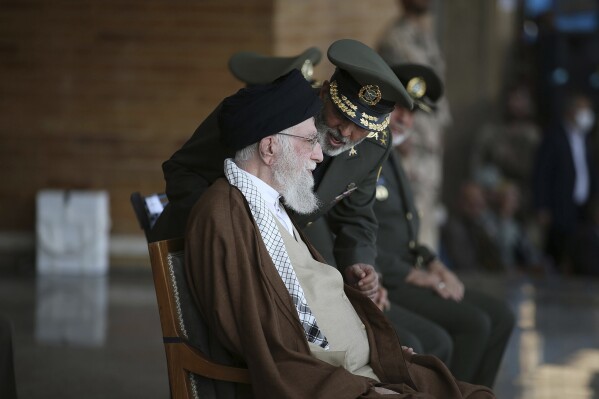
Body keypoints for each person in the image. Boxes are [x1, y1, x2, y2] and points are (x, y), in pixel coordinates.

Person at [185, 68, 495, 398]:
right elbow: (278, 342)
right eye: (310, 141)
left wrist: (361, 271)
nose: (324, 149)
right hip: (336, 374)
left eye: (361, 126)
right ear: (270, 148)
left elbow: (357, 217)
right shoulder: (231, 214)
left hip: (353, 355)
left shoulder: (276, 198)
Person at [151, 39, 413, 299]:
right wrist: (226, 230)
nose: (345, 131)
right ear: (324, 93)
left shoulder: (374, 146)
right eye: (341, 115)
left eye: (360, 126)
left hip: (276, 265)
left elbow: (356, 215)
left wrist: (359, 261)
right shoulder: (271, 109)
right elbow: (182, 170)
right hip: (204, 250)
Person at [374, 63, 515, 388]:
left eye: (411, 112)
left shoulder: (391, 154)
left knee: (503, 317)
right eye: (397, 108)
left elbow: (405, 234)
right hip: (389, 278)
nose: (404, 120)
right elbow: (356, 235)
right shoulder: (364, 154)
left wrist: (436, 264)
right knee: (474, 324)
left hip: (407, 269)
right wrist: (415, 275)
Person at [376, 0, 452, 251]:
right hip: (409, 140)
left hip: (428, 143)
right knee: (410, 209)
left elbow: (435, 92)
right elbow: (391, 91)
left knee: (427, 208)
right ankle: (412, 271)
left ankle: (428, 264)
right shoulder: (394, 39)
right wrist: (400, 135)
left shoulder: (425, 35)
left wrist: (439, 128)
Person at [532, 91, 599, 273]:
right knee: (557, 251)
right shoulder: (554, 137)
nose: (587, 115)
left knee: (580, 251)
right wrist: (541, 206)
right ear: (571, 111)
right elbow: (542, 174)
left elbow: (588, 171)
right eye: (583, 109)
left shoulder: (585, 139)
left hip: (582, 207)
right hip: (559, 206)